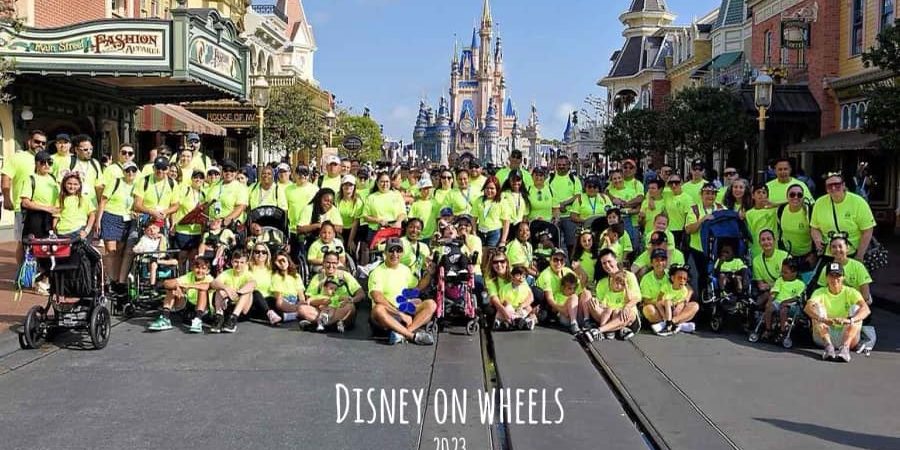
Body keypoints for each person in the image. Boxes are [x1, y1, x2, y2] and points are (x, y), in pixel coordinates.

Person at [368, 238, 436, 345]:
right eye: (391, 250)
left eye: (398, 250)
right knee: (378, 309)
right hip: (389, 314)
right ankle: (412, 336)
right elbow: (377, 297)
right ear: (385, 252)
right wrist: (399, 314)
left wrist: (429, 273)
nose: (395, 254)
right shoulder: (377, 272)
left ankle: (403, 333)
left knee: (431, 304)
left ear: (402, 253)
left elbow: (417, 287)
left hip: (405, 310)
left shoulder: (405, 269)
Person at [805, 262, 870, 362]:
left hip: (846, 334)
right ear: (826, 278)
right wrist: (823, 319)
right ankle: (828, 347)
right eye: (831, 276)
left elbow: (866, 309)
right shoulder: (819, 292)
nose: (835, 279)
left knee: (857, 309)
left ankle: (845, 348)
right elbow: (808, 308)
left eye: (838, 276)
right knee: (817, 308)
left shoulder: (851, 292)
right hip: (824, 334)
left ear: (843, 277)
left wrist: (848, 320)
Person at [2, 129, 47, 264]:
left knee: (43, 242)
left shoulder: (47, 159)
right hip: (23, 208)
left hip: (43, 208)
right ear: (29, 142)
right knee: (23, 242)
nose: (40, 145)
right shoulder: (17, 157)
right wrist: (7, 198)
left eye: (43, 143)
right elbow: (6, 177)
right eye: (37, 141)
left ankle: (40, 272)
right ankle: (21, 274)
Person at [810, 171, 876, 260]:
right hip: (828, 253)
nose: (833, 188)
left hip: (851, 253)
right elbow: (814, 227)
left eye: (837, 184)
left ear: (843, 185)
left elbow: (867, 230)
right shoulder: (819, 203)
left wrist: (860, 255)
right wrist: (817, 240)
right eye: (829, 186)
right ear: (826, 189)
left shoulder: (858, 202)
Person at [584, 249, 640, 339]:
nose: (607, 265)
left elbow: (637, 298)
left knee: (626, 313)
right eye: (604, 263)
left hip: (625, 312)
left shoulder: (628, 275)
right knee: (590, 301)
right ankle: (614, 329)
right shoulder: (602, 282)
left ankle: (599, 331)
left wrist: (626, 307)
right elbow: (602, 304)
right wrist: (596, 303)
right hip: (608, 313)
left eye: (609, 261)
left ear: (616, 260)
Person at [148, 257, 212, 333]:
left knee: (202, 290)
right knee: (172, 288)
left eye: (203, 268)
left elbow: (207, 286)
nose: (200, 271)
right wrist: (178, 287)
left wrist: (188, 286)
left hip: (205, 311)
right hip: (188, 308)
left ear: (208, 271)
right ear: (192, 268)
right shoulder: (189, 276)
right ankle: (165, 318)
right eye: (197, 268)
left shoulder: (209, 278)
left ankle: (198, 320)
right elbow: (166, 283)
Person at [305, 251, 364, 332]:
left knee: (350, 307)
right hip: (322, 309)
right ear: (323, 263)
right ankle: (330, 325)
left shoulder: (344, 275)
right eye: (328, 262)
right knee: (302, 309)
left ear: (338, 264)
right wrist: (321, 301)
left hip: (340, 308)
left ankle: (322, 324)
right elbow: (309, 298)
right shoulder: (318, 277)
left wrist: (351, 299)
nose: (331, 266)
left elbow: (361, 294)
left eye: (334, 263)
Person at [535, 248, 588, 334]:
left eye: (561, 260)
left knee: (587, 293)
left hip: (572, 308)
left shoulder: (567, 271)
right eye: (555, 260)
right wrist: (562, 310)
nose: (558, 263)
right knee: (573, 297)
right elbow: (550, 299)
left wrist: (579, 269)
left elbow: (581, 286)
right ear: (550, 260)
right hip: (558, 310)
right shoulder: (546, 275)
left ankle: (587, 320)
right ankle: (573, 323)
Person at [683, 183, 726, 287]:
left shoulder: (722, 208)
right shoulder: (694, 209)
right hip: (699, 248)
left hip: (717, 248)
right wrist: (703, 220)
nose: (710, 196)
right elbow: (688, 230)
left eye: (713, 194)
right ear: (701, 195)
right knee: (702, 275)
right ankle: (703, 300)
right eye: (707, 193)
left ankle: (718, 298)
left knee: (717, 274)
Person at [362, 171, 407, 261]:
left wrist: (398, 222)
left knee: (393, 256)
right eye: (382, 181)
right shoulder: (371, 197)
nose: (384, 184)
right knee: (376, 258)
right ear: (377, 182)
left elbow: (403, 213)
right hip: (376, 231)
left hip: (393, 231)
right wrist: (378, 221)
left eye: (387, 182)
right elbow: (365, 216)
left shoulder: (396, 195)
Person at [209, 250, 256, 333]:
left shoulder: (248, 274)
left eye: (242, 262)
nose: (238, 265)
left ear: (246, 264)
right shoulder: (226, 273)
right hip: (226, 306)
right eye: (236, 262)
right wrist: (226, 288)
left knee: (248, 291)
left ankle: (233, 318)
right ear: (231, 262)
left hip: (241, 309)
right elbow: (213, 283)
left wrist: (237, 293)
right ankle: (219, 317)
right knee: (219, 289)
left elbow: (253, 284)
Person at [816, 235, 873, 303]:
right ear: (830, 250)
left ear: (847, 248)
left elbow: (865, 294)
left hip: (856, 302)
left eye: (840, 246)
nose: (837, 249)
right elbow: (821, 290)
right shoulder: (826, 268)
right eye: (834, 247)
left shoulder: (858, 266)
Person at [759, 258, 806, 340]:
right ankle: (768, 329)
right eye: (782, 271)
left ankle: (783, 331)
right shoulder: (780, 280)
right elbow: (774, 292)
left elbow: (797, 298)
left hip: (792, 304)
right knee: (769, 308)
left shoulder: (800, 284)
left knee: (784, 309)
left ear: (794, 273)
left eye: (785, 272)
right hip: (778, 302)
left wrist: (785, 302)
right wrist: (769, 302)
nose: (782, 274)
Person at [171, 170, 207, 264]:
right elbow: (176, 207)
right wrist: (173, 223)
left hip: (196, 230)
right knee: (181, 257)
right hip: (182, 229)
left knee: (193, 258)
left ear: (203, 180)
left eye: (201, 178)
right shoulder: (185, 190)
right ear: (191, 179)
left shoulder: (203, 194)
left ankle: (190, 277)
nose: (198, 179)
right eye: (196, 177)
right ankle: (181, 277)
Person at [776, 183, 815, 268]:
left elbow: (817, 232)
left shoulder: (809, 211)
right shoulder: (781, 209)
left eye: (799, 195)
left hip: (806, 257)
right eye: (792, 194)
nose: (796, 197)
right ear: (787, 197)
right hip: (788, 255)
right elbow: (780, 231)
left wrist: (814, 254)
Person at [286, 164, 319, 262]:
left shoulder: (315, 189)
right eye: (299, 173)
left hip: (311, 229)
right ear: (294, 174)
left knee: (309, 257)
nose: (302, 176)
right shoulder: (288, 189)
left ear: (309, 175)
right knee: (294, 259)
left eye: (305, 173)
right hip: (293, 229)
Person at [132, 220, 177, 288]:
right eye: (149, 230)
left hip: (161, 259)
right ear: (145, 231)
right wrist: (139, 250)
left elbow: (163, 251)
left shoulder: (162, 238)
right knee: (153, 264)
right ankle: (152, 285)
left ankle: (170, 282)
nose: (152, 231)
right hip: (149, 259)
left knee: (175, 261)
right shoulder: (144, 239)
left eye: (154, 228)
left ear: (158, 229)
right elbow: (136, 249)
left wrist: (161, 238)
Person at [549, 155, 582, 247]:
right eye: (559, 164)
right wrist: (558, 208)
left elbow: (578, 196)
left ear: (568, 166)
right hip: (553, 217)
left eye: (564, 165)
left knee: (572, 245)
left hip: (570, 217)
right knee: (553, 244)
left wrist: (565, 204)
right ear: (556, 165)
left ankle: (571, 261)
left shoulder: (574, 180)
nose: (561, 167)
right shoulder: (549, 180)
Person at [752, 229, 790, 308]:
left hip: (786, 290)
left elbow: (790, 279)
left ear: (774, 240)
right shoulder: (756, 261)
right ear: (759, 243)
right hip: (770, 292)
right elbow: (761, 285)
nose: (766, 242)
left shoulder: (785, 256)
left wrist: (770, 286)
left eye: (769, 239)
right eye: (763, 240)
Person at [61, 134, 103, 201]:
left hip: (91, 205)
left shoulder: (95, 163)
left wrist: (100, 205)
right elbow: (60, 183)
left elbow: (99, 186)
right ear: (76, 150)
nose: (89, 152)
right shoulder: (68, 161)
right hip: (73, 204)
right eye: (85, 150)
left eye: (91, 149)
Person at [54, 172, 96, 240]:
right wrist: (55, 231)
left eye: (75, 184)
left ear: (80, 185)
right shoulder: (60, 199)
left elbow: (92, 215)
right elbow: (56, 218)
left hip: (78, 231)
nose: (72, 187)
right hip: (62, 233)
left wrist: (86, 231)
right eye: (69, 183)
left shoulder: (84, 198)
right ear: (64, 184)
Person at [492, 266, 536, 330]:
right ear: (512, 276)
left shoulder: (526, 288)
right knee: (502, 311)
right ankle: (508, 322)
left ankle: (518, 322)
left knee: (529, 308)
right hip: (509, 311)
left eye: (523, 277)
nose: (521, 278)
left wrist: (522, 306)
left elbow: (530, 298)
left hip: (520, 311)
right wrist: (509, 308)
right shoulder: (505, 288)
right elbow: (503, 303)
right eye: (518, 275)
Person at [207, 160, 249, 226]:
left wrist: (225, 221)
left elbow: (241, 207)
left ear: (236, 173)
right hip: (212, 224)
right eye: (226, 170)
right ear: (222, 172)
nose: (228, 172)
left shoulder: (240, 187)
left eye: (232, 170)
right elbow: (207, 202)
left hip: (230, 225)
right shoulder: (215, 185)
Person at [472, 176, 507, 247]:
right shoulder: (479, 200)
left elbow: (506, 222)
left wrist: (503, 240)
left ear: (497, 189)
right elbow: (474, 219)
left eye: (492, 188)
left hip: (494, 233)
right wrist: (474, 232)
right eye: (487, 188)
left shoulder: (501, 202)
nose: (489, 190)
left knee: (490, 254)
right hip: (480, 232)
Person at [337, 174, 364, 257]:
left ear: (354, 187)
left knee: (350, 250)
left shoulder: (358, 202)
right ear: (342, 186)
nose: (348, 187)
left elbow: (355, 223)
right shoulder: (336, 199)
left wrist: (350, 241)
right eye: (345, 184)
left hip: (352, 231)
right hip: (338, 230)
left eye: (350, 185)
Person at [663, 174, 692, 251]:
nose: (674, 185)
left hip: (680, 231)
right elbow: (652, 190)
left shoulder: (687, 198)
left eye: (676, 182)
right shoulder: (666, 194)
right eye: (671, 183)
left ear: (681, 183)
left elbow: (688, 217)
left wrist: (685, 233)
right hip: (666, 230)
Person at [409, 178, 438, 242]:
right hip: (418, 237)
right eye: (425, 188)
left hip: (431, 236)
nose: (427, 191)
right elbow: (411, 221)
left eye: (429, 188)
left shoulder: (435, 203)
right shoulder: (415, 204)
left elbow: (437, 219)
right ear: (420, 190)